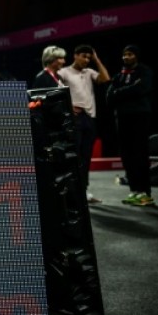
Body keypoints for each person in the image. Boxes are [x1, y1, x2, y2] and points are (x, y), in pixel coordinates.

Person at [58, 44, 110, 203]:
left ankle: (84, 190)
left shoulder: (89, 72)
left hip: (89, 118)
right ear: (75, 55)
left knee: (86, 157)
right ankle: (71, 191)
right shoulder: (64, 72)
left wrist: (96, 59)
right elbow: (56, 92)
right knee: (74, 156)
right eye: (84, 56)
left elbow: (106, 79)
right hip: (74, 119)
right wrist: (68, 107)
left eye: (89, 57)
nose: (86, 60)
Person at [106, 44, 155, 206]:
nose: (126, 57)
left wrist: (120, 93)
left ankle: (145, 192)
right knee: (126, 155)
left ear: (136, 56)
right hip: (122, 117)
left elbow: (141, 89)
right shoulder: (118, 75)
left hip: (140, 116)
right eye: (124, 54)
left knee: (140, 153)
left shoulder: (144, 71)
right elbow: (109, 97)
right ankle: (134, 190)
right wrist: (128, 91)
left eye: (130, 54)